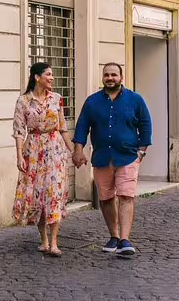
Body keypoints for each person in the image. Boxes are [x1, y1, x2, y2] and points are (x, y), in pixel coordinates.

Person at [71, 62, 152, 256]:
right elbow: (82, 127)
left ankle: (125, 239)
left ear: (121, 78)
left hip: (128, 156)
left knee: (126, 196)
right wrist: (78, 151)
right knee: (106, 198)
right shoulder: (92, 102)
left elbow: (145, 124)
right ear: (102, 78)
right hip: (102, 157)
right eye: (106, 75)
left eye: (114, 75)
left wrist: (142, 150)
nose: (110, 78)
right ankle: (113, 236)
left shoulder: (135, 99)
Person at [12, 62, 75, 257]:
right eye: (48, 74)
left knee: (54, 192)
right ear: (36, 77)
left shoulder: (57, 99)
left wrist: (73, 150)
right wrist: (19, 155)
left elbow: (63, 127)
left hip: (54, 148)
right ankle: (43, 240)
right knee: (38, 194)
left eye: (52, 75)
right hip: (33, 149)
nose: (52, 78)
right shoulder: (23, 101)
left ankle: (54, 242)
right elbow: (18, 131)